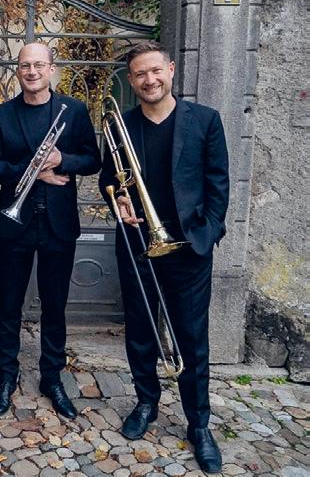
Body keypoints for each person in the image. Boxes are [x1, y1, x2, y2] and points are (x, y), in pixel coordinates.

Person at [98, 40, 229, 473]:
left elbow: (219, 184)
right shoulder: (121, 124)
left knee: (191, 338)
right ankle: (146, 402)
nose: (149, 80)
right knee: (140, 331)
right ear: (132, 80)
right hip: (139, 242)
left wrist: (208, 233)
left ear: (171, 70)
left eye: (155, 70)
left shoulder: (205, 120)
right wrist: (117, 200)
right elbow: (108, 179)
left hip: (189, 247)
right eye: (140, 74)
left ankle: (199, 424)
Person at [0, 42, 101, 419]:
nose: (31, 72)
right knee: (9, 304)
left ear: (51, 69)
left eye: (38, 65)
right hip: (15, 224)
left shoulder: (73, 110)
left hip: (58, 225)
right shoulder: (2, 114)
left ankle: (52, 377)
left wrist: (62, 159)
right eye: (24, 66)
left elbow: (93, 160)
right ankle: (7, 375)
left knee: (54, 306)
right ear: (18, 71)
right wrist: (33, 170)